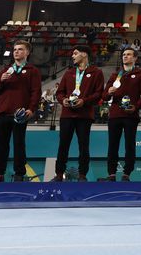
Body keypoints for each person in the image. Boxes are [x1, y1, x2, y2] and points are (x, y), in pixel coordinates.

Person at [0, 40, 41, 182]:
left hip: (20, 114)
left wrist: (31, 109)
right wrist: (1, 80)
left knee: (19, 144)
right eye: (14, 49)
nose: (16, 52)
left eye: (20, 49)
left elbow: (36, 92)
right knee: (2, 145)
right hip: (2, 113)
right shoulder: (6, 70)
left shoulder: (33, 71)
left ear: (27, 52)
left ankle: (19, 173)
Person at [53, 45, 104, 181]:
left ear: (84, 54)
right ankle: (59, 174)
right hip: (67, 115)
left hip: (84, 115)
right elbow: (60, 92)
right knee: (63, 145)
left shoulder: (96, 72)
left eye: (75, 53)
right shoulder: (69, 72)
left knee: (83, 146)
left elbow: (99, 93)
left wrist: (84, 101)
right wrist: (63, 100)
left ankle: (82, 175)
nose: (72, 56)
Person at [102, 47, 141, 181]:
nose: (125, 57)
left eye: (128, 55)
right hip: (115, 115)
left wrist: (136, 107)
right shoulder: (115, 75)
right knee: (113, 145)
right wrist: (109, 92)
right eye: (124, 55)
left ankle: (127, 173)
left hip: (131, 115)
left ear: (135, 58)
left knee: (129, 145)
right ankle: (111, 173)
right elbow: (104, 96)